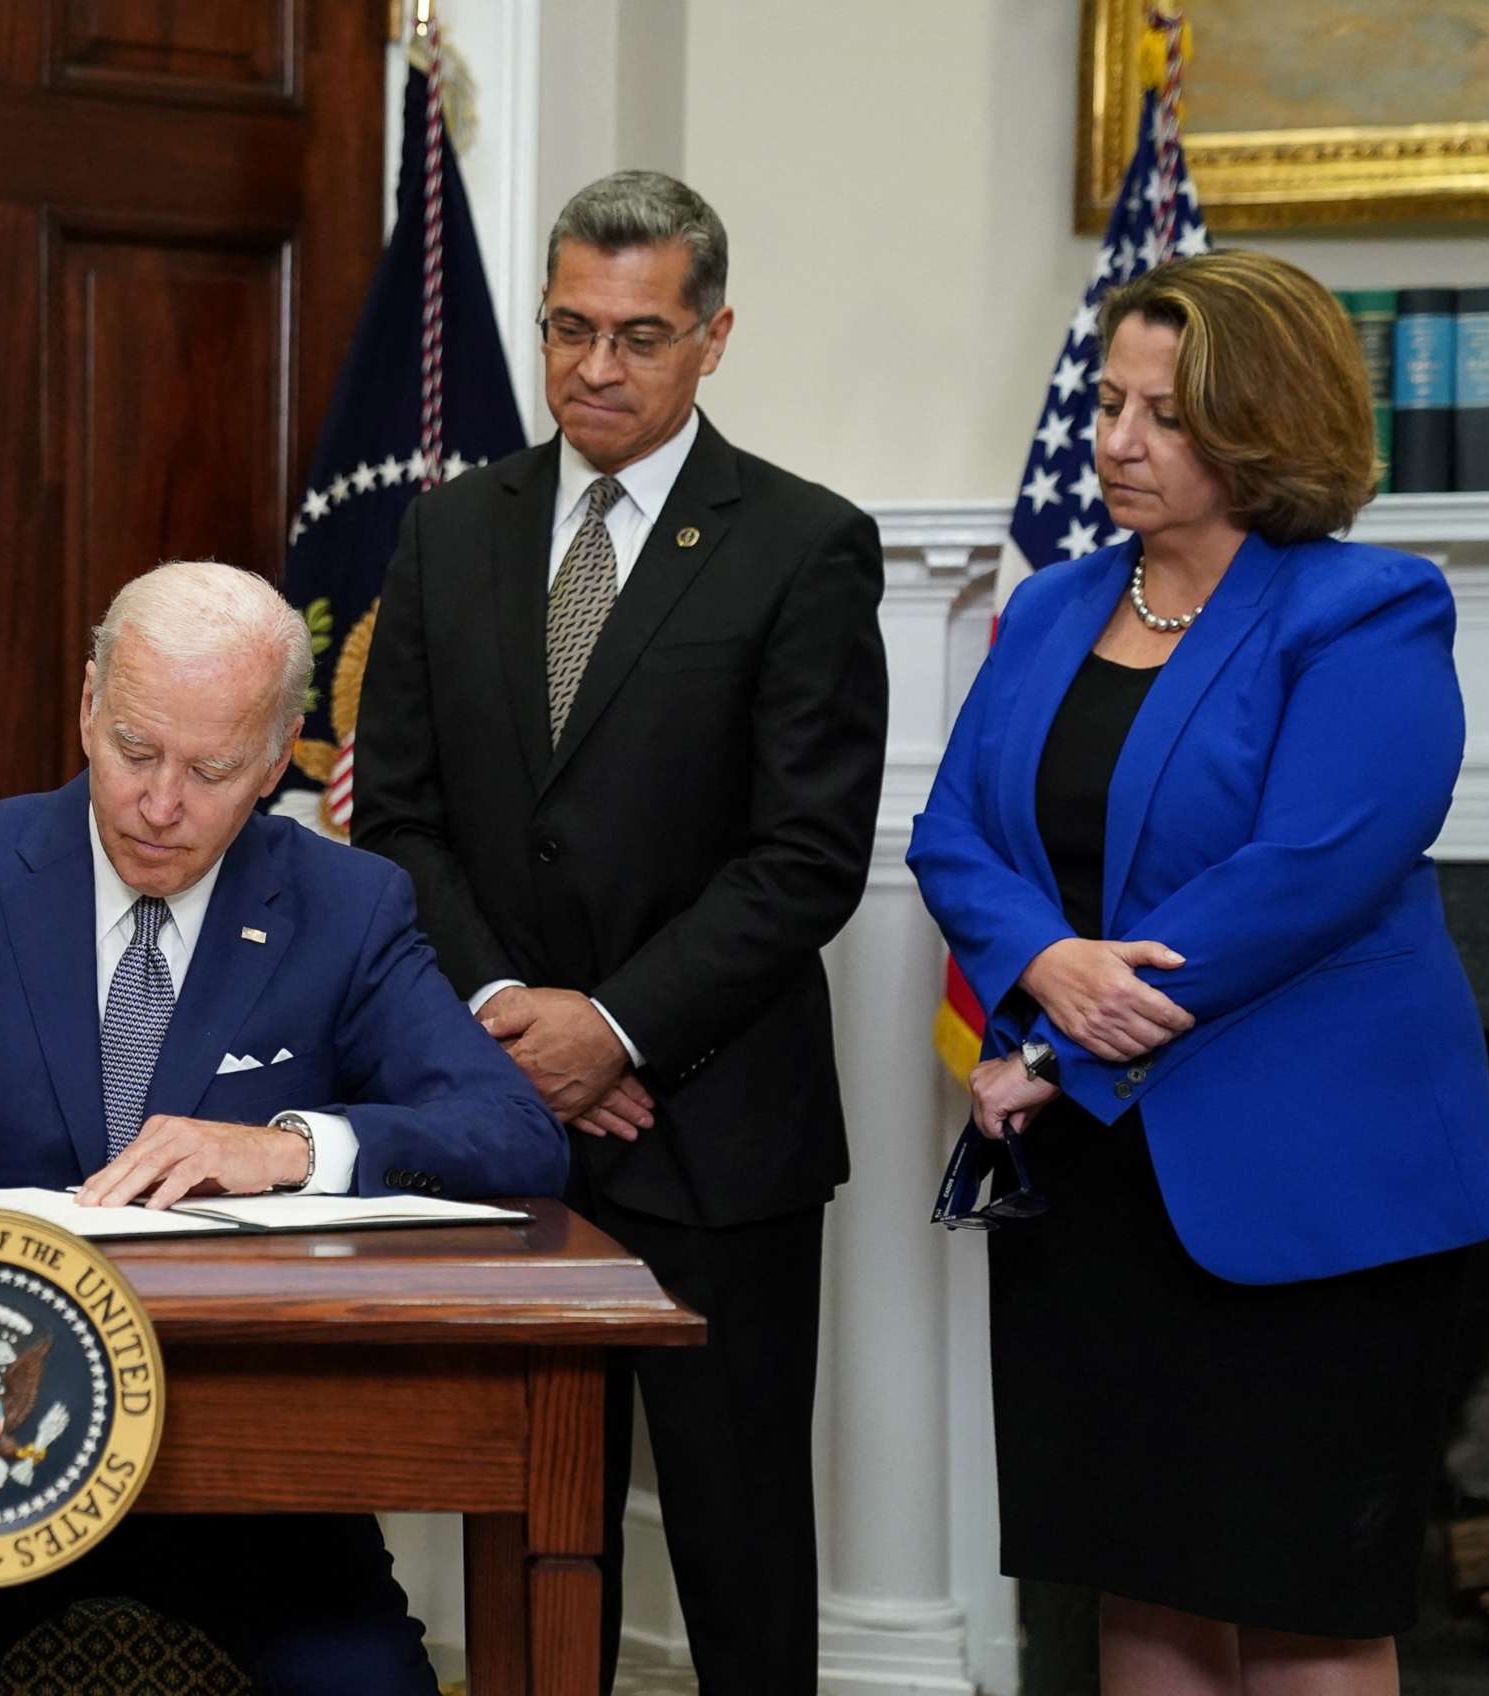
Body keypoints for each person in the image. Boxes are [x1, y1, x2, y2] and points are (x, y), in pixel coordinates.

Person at [0, 559, 565, 1695]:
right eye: (135, 750)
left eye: (213, 768)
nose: (161, 802)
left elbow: (516, 1131)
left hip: (248, 1470)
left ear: (278, 758)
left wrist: (289, 1148)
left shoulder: (347, 905)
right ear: (88, 705)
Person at [908, 250, 1489, 1693]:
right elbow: (952, 834)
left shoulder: (1369, 607)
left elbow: (1310, 868)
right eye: (1110, 404)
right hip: (1100, 1190)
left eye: (1163, 414)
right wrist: (1044, 962)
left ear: (1263, 420)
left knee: (1303, 1606)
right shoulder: (1054, 606)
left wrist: (1065, 1034)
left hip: (1310, 1196)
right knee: (1146, 1592)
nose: (1116, 439)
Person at [352, 170, 888, 1696]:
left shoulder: (803, 544)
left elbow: (806, 858)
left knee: (736, 1549)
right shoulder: (451, 533)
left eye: (640, 336)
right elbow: (394, 818)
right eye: (570, 327)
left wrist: (618, 1028)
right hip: (499, 1118)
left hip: (719, 1136)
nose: (597, 367)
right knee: (526, 1526)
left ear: (714, 337)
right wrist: (521, 1019)